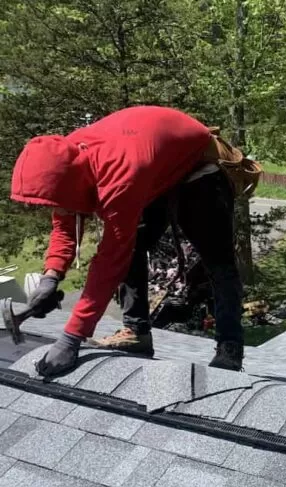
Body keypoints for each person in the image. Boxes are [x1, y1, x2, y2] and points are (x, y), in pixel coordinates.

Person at [10, 106, 246, 376]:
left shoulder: (118, 177)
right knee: (133, 247)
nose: (56, 209)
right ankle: (137, 333)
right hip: (155, 167)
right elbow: (64, 222)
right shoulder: (64, 160)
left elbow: (110, 260)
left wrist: (71, 337)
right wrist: (51, 276)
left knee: (218, 263)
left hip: (199, 167)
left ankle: (230, 347)